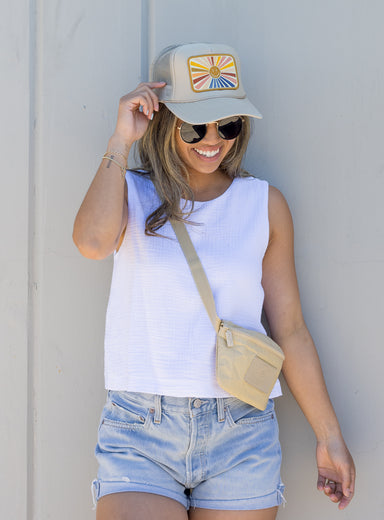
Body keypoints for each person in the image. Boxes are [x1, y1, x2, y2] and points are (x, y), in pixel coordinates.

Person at [73, 43, 355, 520]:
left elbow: (290, 329)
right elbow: (92, 244)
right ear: (163, 120)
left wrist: (329, 437)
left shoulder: (264, 204)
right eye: (195, 125)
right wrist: (120, 143)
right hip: (142, 428)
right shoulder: (132, 192)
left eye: (228, 124)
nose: (213, 139)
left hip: (240, 429)